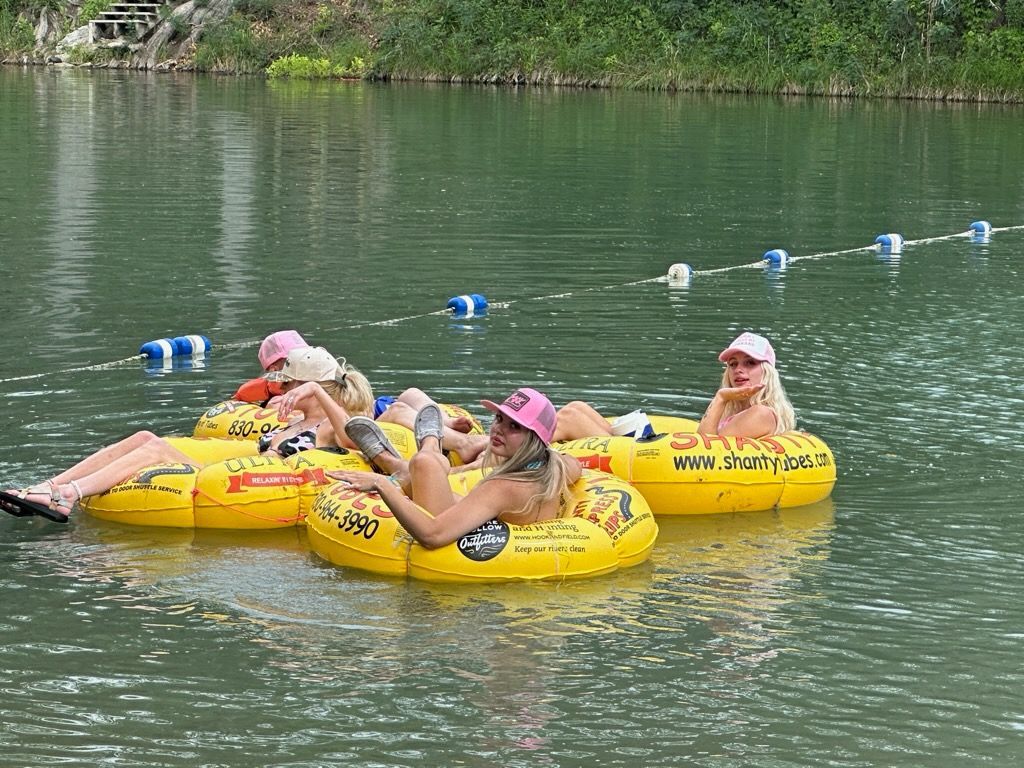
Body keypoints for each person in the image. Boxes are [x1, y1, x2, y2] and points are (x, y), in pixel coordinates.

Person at [0, 347, 374, 523]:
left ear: (310, 386)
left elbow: (350, 439)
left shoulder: (329, 424)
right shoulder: (292, 421)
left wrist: (318, 395)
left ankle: (69, 496)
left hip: (249, 485)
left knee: (157, 449)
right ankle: (50, 486)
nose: (281, 389)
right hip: (235, 471)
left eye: (290, 383)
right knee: (145, 436)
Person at [330, 388, 582, 549]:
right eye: (499, 419)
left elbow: (432, 536)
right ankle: (422, 448)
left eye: (514, 427)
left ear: (534, 439)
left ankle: (423, 447)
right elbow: (577, 465)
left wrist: (382, 485)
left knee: (424, 464)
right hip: (501, 533)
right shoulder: (558, 466)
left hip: (464, 552)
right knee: (424, 471)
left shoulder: (503, 488)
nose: (498, 429)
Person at [552, 332, 795, 442]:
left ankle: (519, 461)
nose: (738, 370)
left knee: (570, 418)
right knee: (577, 407)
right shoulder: (741, 413)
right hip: (664, 459)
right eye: (733, 364)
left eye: (750, 363)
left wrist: (721, 398)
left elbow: (706, 450)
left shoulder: (761, 413)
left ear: (767, 371)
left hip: (673, 469)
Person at [233, 329, 309, 405]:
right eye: (297, 361)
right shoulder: (251, 393)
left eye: (307, 357)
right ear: (275, 371)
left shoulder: (314, 384)